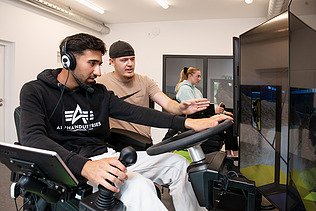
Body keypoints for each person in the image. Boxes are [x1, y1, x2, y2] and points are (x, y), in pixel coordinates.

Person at [19, 33, 233, 211]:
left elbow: (137, 113)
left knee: (177, 165)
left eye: (100, 64)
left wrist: (188, 123)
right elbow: (32, 137)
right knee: (140, 186)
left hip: (105, 157)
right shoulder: (35, 91)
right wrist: (85, 166)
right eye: (92, 63)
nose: (98, 71)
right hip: (69, 167)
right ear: (68, 61)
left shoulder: (98, 92)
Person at [97, 40, 211, 138]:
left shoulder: (145, 81)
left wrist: (180, 108)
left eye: (132, 59)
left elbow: (167, 103)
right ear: (111, 61)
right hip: (115, 143)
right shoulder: (101, 83)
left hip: (143, 141)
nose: (130, 64)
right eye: (124, 60)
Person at [175, 67, 238, 156]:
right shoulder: (185, 89)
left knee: (229, 121)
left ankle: (230, 153)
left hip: (201, 117)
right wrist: (214, 110)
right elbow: (193, 109)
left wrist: (222, 112)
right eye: (198, 76)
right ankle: (233, 153)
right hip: (194, 121)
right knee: (227, 124)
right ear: (190, 76)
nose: (200, 79)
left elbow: (203, 106)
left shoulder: (196, 90)